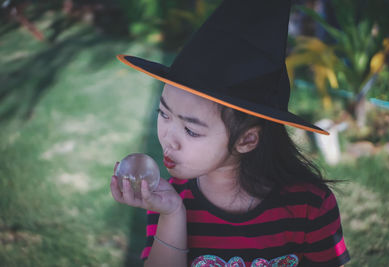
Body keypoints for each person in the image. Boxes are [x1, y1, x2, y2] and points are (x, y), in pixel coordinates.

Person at [110, 0, 350, 266]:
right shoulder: (169, 198)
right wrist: (172, 214)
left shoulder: (310, 206)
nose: (168, 138)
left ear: (247, 139)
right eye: (164, 114)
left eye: (191, 130)